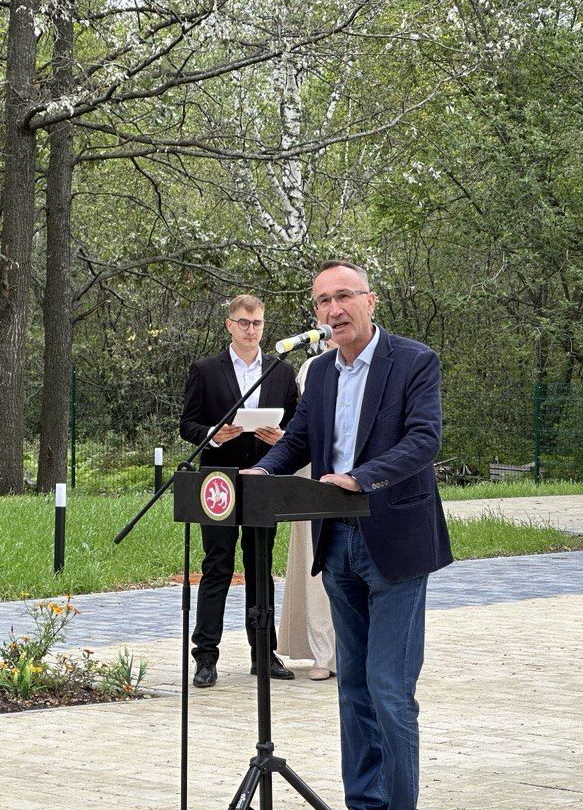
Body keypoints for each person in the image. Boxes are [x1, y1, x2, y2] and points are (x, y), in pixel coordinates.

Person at [246, 261, 450, 810]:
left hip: (396, 544)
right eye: (322, 302)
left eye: (344, 298)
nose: (333, 311)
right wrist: (263, 471)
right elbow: (300, 440)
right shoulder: (320, 372)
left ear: (370, 301)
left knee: (388, 692)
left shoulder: (413, 360)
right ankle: (364, 802)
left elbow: (423, 441)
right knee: (352, 689)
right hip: (335, 545)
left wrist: (361, 478)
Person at [179, 294, 298, 689]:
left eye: (258, 323)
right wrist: (213, 435)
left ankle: (263, 653)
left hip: (264, 478)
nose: (251, 330)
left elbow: (299, 428)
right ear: (229, 325)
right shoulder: (207, 369)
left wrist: (280, 437)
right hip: (219, 480)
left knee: (260, 564)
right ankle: (205, 657)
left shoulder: (281, 372)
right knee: (217, 565)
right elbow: (189, 424)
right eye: (244, 322)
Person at [276, 342, 338, 681]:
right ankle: (324, 653)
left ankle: (356, 651)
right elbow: (301, 427)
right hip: (311, 470)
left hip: (355, 474)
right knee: (315, 564)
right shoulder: (312, 368)